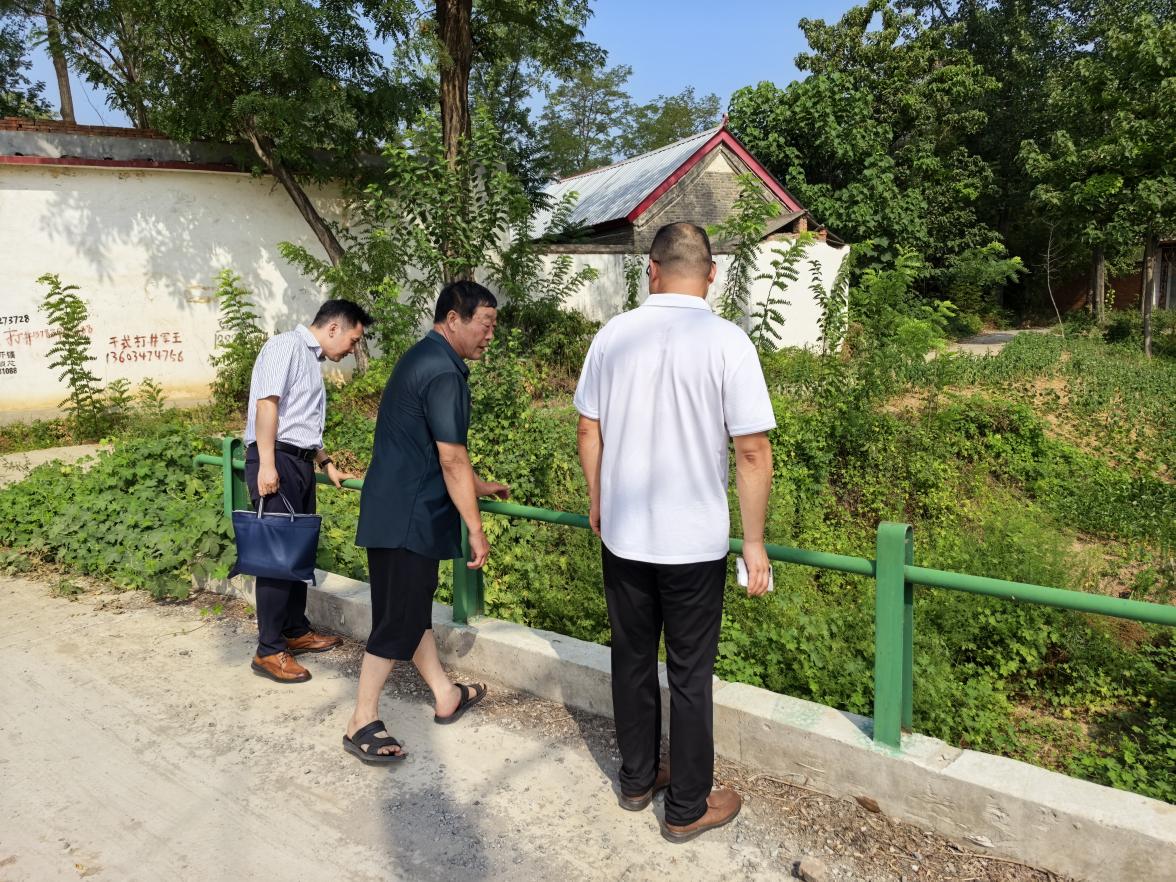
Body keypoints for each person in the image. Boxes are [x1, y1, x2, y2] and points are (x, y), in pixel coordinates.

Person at [574, 222, 776, 842]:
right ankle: (687, 807)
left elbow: (588, 429)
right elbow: (751, 450)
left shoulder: (613, 335)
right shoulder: (729, 343)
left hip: (625, 535)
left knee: (631, 658)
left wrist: (599, 501)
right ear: (711, 275)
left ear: (651, 271)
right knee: (690, 674)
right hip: (694, 544)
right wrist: (754, 542)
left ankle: (637, 779)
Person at [343, 281, 509, 764]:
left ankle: (445, 694)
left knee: (411, 611)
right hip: (409, 518)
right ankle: (361, 720)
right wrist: (475, 527)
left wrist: (478, 487)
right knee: (397, 618)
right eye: (485, 324)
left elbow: (437, 447)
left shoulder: (423, 357)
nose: (490, 335)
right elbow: (450, 456)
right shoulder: (444, 372)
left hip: (394, 508)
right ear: (453, 319)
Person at [242, 298, 371, 684]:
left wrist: (325, 462)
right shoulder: (285, 346)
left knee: (298, 550)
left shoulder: (309, 359)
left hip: (297, 462)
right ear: (333, 328)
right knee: (276, 557)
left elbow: (300, 421)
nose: (352, 349)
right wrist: (267, 463)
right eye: (353, 340)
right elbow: (268, 405)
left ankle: (294, 630)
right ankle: (268, 650)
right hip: (276, 459)